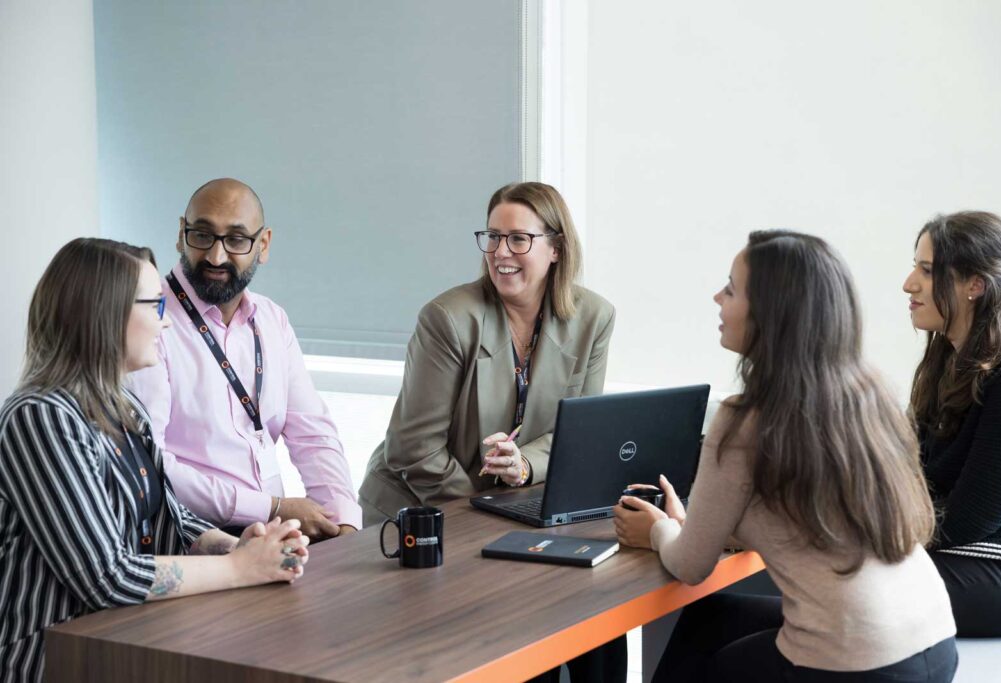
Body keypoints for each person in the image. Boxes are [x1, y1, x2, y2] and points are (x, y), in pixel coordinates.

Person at [615, 231, 957, 682]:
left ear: (769, 315)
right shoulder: (867, 396)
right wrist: (692, 526)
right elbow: (800, 522)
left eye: (731, 289)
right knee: (709, 621)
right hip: (933, 640)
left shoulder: (745, 419)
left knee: (709, 662)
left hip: (858, 663)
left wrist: (659, 530)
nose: (717, 297)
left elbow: (690, 566)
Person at [0, 238, 310, 682]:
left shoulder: (124, 407)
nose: (166, 325)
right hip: (50, 662)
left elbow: (170, 520)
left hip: (129, 646)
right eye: (156, 306)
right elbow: (107, 576)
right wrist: (238, 569)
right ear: (105, 314)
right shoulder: (41, 418)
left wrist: (238, 546)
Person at [358, 181, 622, 682]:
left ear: (556, 247)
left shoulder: (593, 317)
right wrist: (490, 511)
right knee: (503, 637)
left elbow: (578, 430)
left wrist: (525, 467)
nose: (501, 253)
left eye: (518, 239)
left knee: (593, 622)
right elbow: (414, 450)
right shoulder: (450, 319)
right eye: (492, 237)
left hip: (507, 508)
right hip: (421, 505)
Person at [129, 178, 360, 542]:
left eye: (236, 240)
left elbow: (312, 433)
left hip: (272, 535)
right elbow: (150, 464)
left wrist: (343, 521)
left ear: (263, 244)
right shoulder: (148, 319)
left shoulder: (272, 319)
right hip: (186, 537)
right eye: (202, 235)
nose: (216, 257)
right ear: (180, 234)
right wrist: (271, 508)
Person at [903, 211, 1001, 637]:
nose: (909, 284)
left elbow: (971, 520)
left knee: (849, 579)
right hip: (967, 551)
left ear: (975, 285)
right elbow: (910, 476)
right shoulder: (945, 361)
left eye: (928, 271)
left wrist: (868, 538)